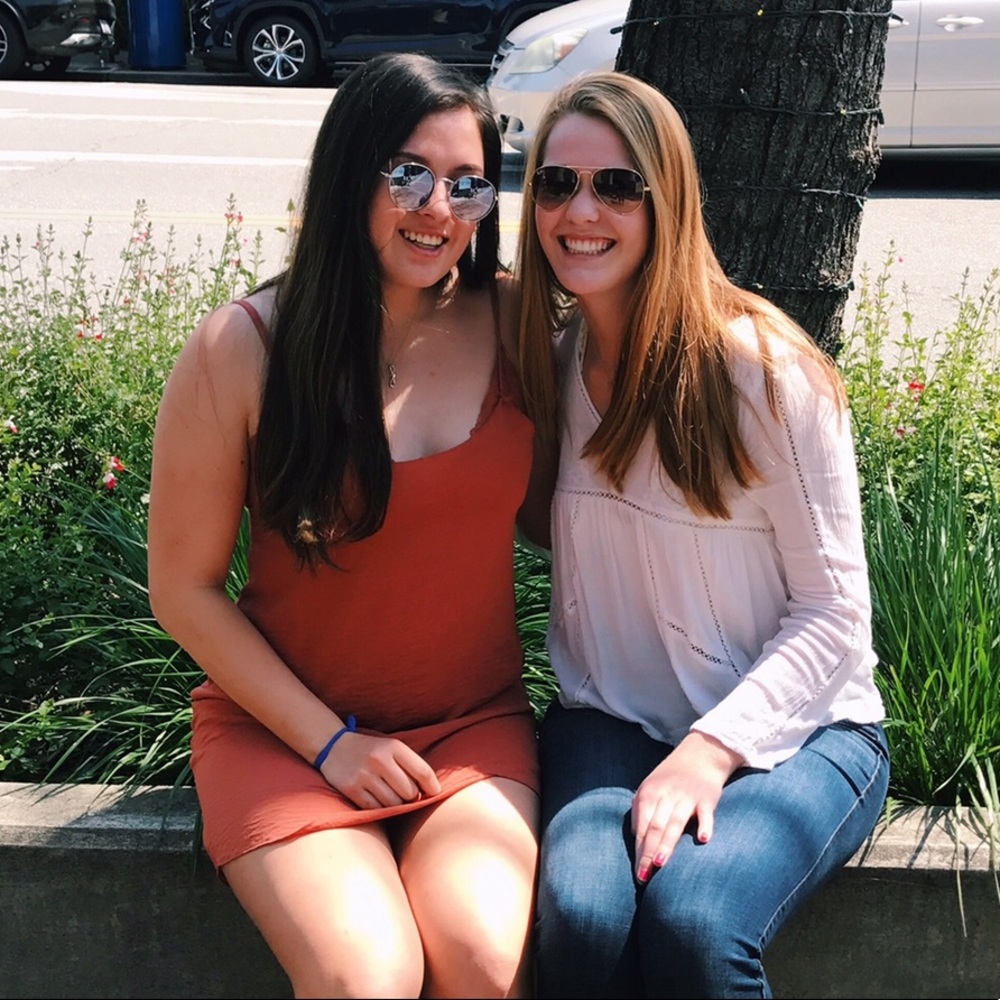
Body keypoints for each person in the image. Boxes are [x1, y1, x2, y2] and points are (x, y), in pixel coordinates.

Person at [147, 52, 546, 999]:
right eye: (408, 173)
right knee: (368, 980)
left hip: (468, 730)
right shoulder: (244, 347)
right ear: (348, 174)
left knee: (488, 967)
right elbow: (184, 589)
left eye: (468, 184)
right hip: (283, 736)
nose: (438, 209)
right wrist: (332, 744)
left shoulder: (519, 321)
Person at [515, 71, 890, 999]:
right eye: (556, 184)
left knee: (694, 920)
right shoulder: (547, 368)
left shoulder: (765, 374)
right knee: (583, 916)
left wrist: (710, 750)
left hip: (802, 733)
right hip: (610, 719)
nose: (580, 211)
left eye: (616, 185)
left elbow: (836, 614)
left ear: (666, 199)